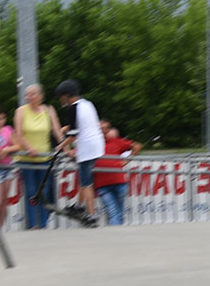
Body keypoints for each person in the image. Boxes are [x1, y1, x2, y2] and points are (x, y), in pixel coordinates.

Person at [14, 84, 64, 229]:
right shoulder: (21, 111)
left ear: (41, 96)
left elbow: (57, 131)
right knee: (31, 191)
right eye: (27, 94)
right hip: (26, 159)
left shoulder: (49, 110)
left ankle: (43, 224)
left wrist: (66, 147)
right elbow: (19, 134)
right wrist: (29, 148)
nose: (29, 97)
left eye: (32, 94)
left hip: (44, 158)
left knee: (45, 191)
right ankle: (32, 224)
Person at [54, 79, 104, 220]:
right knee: (84, 178)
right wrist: (66, 128)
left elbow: (73, 136)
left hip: (86, 148)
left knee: (86, 183)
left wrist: (60, 146)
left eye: (61, 97)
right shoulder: (87, 104)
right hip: (97, 145)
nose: (61, 100)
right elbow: (84, 124)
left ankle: (92, 214)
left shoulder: (72, 109)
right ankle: (79, 205)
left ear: (67, 95)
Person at [94, 120, 143, 226]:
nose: (102, 130)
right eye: (100, 128)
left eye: (105, 128)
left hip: (118, 181)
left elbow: (137, 146)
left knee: (118, 212)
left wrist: (126, 160)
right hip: (102, 184)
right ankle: (116, 232)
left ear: (108, 130)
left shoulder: (116, 141)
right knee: (113, 212)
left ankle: (116, 232)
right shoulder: (91, 143)